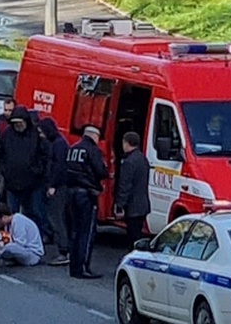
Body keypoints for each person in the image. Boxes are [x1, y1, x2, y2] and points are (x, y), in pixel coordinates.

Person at [65, 125, 108, 279]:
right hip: (87, 194)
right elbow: (101, 172)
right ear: (95, 136)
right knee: (87, 232)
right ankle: (83, 266)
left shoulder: (73, 148)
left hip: (71, 193)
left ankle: (73, 266)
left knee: (75, 231)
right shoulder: (93, 150)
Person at [0, 106, 47, 230]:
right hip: (12, 183)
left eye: (20, 123)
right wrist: (5, 172)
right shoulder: (7, 135)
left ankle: (34, 237)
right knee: (11, 213)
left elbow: (44, 155)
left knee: (34, 213)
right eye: (15, 123)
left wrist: (37, 171)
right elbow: (0, 155)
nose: (18, 126)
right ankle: (12, 237)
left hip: (33, 184)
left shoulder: (36, 135)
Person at [38, 117, 71, 266]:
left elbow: (58, 167)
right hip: (58, 185)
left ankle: (64, 250)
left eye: (42, 132)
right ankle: (64, 248)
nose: (41, 135)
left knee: (55, 217)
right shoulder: (59, 143)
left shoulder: (58, 145)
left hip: (58, 186)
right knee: (57, 217)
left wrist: (53, 185)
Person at [114, 131, 151, 249]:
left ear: (126, 143)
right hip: (143, 204)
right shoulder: (142, 159)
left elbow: (125, 185)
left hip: (132, 206)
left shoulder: (128, 162)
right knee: (137, 235)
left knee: (132, 237)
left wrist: (119, 205)